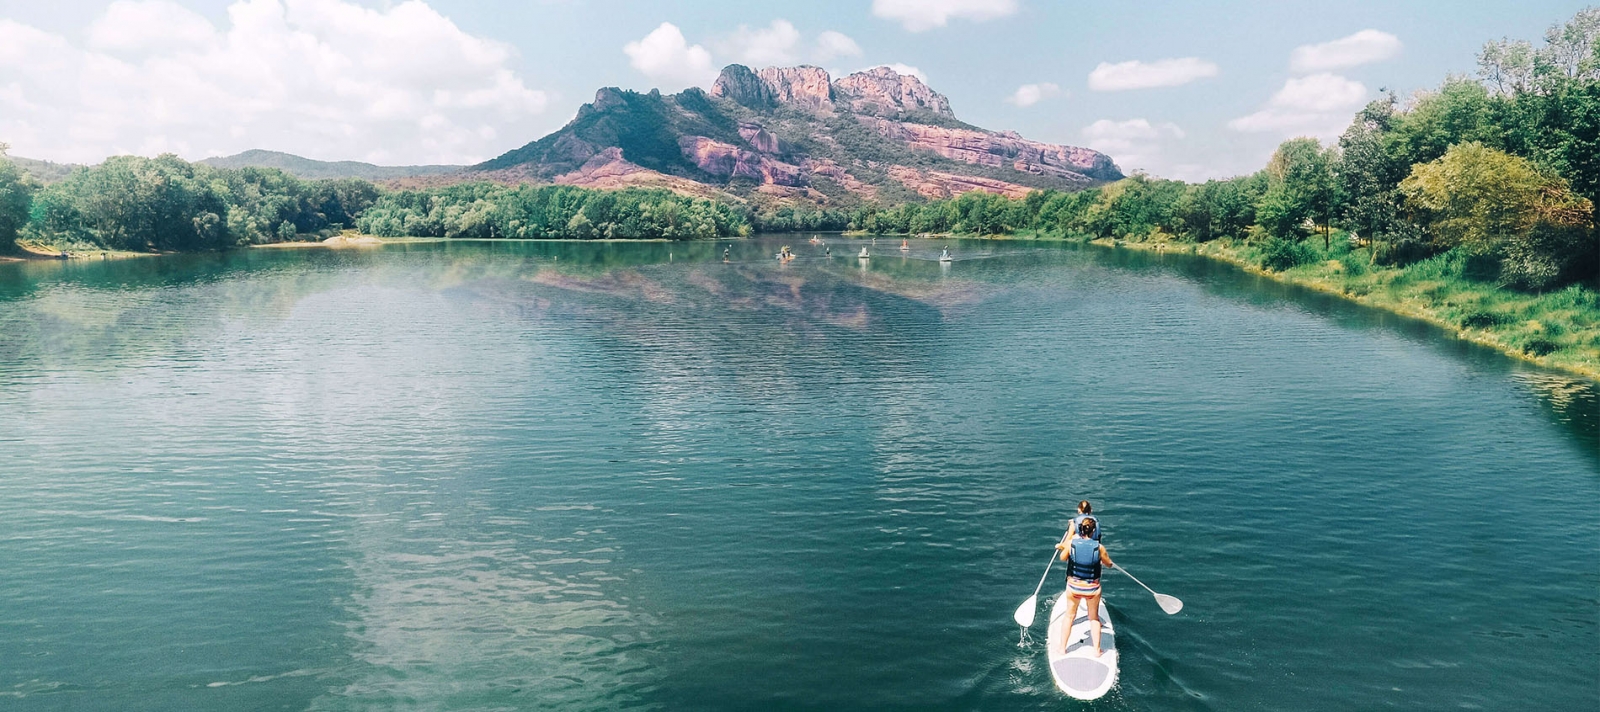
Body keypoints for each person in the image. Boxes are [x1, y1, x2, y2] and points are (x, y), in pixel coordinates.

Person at [1055, 518, 1114, 657]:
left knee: (1069, 616)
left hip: (1074, 587)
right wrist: (1109, 563)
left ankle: (1062, 649)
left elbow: (1063, 558)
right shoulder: (1099, 547)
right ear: (1094, 531)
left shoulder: (1071, 543)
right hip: (1092, 589)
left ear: (1080, 529)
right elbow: (1108, 563)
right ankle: (1097, 651)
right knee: (1093, 618)